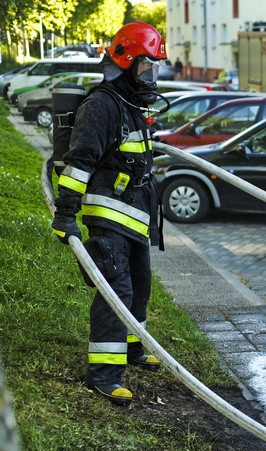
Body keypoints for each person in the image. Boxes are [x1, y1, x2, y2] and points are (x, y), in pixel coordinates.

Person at [50, 21, 168, 405]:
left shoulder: (132, 104)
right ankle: (103, 374)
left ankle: (133, 349)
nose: (151, 75)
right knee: (115, 291)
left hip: (134, 216)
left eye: (155, 67)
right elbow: (79, 163)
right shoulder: (102, 105)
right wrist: (65, 214)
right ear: (126, 61)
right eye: (147, 66)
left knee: (140, 284)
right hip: (108, 215)